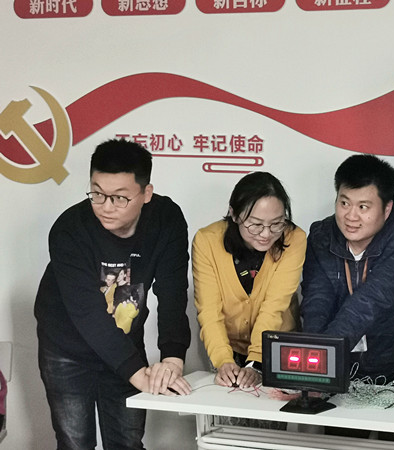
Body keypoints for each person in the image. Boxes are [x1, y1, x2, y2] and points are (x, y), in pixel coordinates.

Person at [35, 139, 192, 449]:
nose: (106, 207)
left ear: (146, 193)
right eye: (97, 194)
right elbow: (87, 313)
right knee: (75, 443)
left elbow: (173, 292)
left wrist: (173, 359)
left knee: (127, 442)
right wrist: (139, 374)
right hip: (67, 348)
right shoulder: (70, 229)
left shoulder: (166, 219)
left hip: (123, 342)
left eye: (120, 197)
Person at [301, 154, 394, 385]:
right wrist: (313, 365)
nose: (351, 216)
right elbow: (317, 303)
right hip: (340, 367)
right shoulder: (322, 236)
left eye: (363, 207)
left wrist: (323, 357)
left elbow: (372, 301)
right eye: (344, 203)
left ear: (387, 209)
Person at [192, 172, 306, 389]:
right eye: (255, 224)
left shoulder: (294, 238)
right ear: (234, 214)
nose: (266, 234)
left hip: (278, 346)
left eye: (276, 223)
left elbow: (274, 307)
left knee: (274, 408)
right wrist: (223, 361)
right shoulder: (207, 241)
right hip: (228, 348)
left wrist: (256, 362)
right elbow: (209, 310)